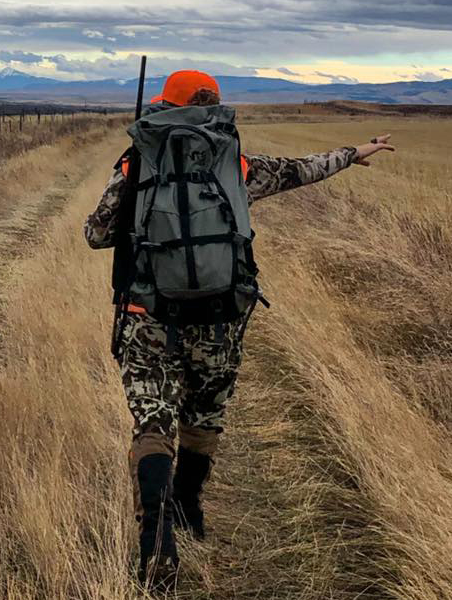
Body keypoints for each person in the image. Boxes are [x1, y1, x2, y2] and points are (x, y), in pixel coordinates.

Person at [84, 70, 395, 589]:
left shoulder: (139, 159)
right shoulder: (235, 162)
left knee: (153, 422)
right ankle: (189, 508)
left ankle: (155, 537)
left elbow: (97, 234)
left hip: (148, 318)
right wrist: (355, 151)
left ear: (166, 105)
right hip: (221, 321)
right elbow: (300, 170)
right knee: (203, 415)